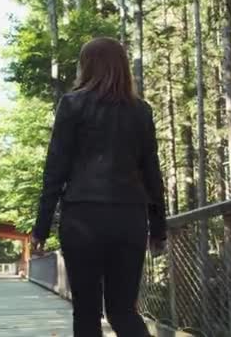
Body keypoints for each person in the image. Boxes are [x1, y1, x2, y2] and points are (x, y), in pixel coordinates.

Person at [30, 37, 167, 337]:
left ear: (87, 67)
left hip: (82, 218)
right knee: (122, 311)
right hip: (129, 219)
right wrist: (158, 229)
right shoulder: (141, 111)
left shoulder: (72, 105)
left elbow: (55, 170)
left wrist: (40, 228)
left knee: (87, 312)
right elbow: (151, 174)